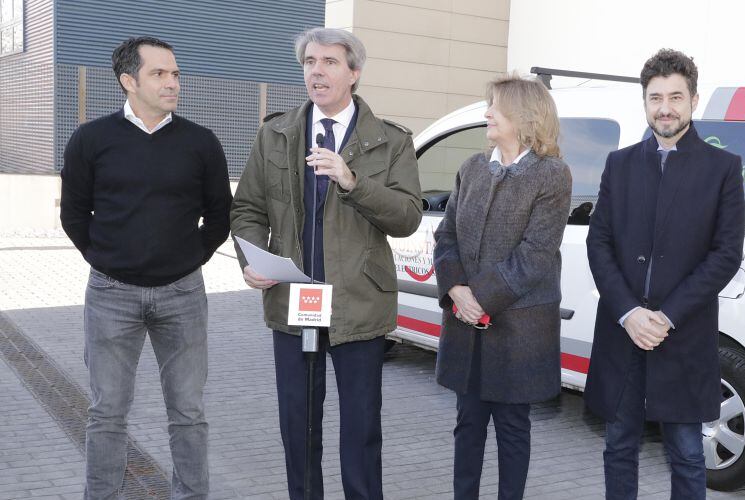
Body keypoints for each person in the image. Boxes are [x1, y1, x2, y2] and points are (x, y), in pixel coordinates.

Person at [229, 28, 422, 499]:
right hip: (293, 301)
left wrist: (354, 181)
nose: (316, 71)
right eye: (309, 62)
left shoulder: (390, 141)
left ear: (354, 72)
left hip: (359, 304)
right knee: (298, 427)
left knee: (360, 430)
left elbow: (407, 217)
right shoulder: (274, 134)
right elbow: (247, 209)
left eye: (330, 62)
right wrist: (250, 259)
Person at [59, 36, 232, 499]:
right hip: (111, 296)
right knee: (107, 411)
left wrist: (190, 257)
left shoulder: (201, 142)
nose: (173, 82)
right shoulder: (91, 139)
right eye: (160, 73)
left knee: (189, 412)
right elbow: (74, 214)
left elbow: (220, 215)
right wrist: (105, 259)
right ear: (128, 81)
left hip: (183, 295)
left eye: (175, 73)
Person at [584, 49, 745, 499]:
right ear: (645, 102)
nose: (665, 108)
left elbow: (725, 255)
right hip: (622, 334)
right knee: (618, 446)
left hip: (682, 336)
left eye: (676, 96)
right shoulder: (620, 164)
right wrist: (629, 313)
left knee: (687, 455)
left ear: (694, 100)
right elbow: (599, 244)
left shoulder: (722, 170)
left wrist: (665, 316)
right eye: (655, 97)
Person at [433, 74, 572, 500]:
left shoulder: (552, 175)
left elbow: (535, 254)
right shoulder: (472, 168)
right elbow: (446, 235)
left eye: (496, 106)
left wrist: (478, 298)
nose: (487, 113)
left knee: (513, 429)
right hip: (465, 322)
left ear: (525, 116)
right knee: (467, 424)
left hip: (519, 331)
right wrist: (456, 288)